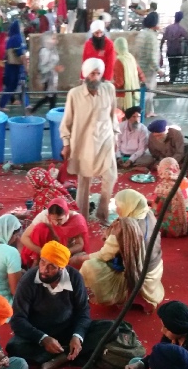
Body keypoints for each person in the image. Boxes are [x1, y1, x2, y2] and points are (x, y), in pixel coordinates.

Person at [6, 240, 92, 369]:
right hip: (38, 334)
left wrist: (77, 336)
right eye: (42, 262)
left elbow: (83, 311)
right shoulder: (28, 280)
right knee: (14, 346)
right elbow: (17, 319)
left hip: (67, 330)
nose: (44, 270)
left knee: (110, 329)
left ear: (62, 268)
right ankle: (70, 354)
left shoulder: (75, 278)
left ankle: (57, 359)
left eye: (52, 266)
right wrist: (43, 338)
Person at [79, 186, 163, 310]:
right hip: (155, 267)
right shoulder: (148, 214)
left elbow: (104, 255)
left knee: (89, 266)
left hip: (139, 275)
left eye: (119, 206)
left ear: (128, 206)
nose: (117, 210)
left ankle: (112, 296)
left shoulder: (125, 229)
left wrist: (82, 258)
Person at [59, 57, 117, 225]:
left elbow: (113, 116)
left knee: (110, 176)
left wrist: (116, 135)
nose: (96, 77)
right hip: (83, 143)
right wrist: (66, 144)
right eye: (92, 74)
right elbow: (67, 122)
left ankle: (102, 213)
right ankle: (81, 218)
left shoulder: (109, 90)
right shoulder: (75, 94)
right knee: (84, 181)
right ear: (85, 75)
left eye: (98, 73)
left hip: (106, 140)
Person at [18, 200, 89, 268]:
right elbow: (24, 238)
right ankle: (36, 261)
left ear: (66, 214)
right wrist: (43, 252)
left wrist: (62, 252)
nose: (56, 223)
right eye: (53, 220)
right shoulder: (44, 216)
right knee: (40, 228)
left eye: (59, 220)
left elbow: (80, 244)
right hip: (45, 248)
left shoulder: (76, 220)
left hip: (65, 249)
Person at [152, 156, 188, 237]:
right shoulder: (186, 181)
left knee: (148, 221)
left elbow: (156, 210)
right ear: (177, 167)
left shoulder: (163, 187)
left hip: (176, 229)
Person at [0, 17, 28, 110]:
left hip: (10, 65)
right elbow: (20, 54)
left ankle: (4, 104)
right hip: (14, 66)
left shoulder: (11, 38)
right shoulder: (17, 38)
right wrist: (26, 66)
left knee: (12, 86)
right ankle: (2, 104)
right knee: (13, 85)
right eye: (21, 26)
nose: (22, 27)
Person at [112, 35, 140, 113]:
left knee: (122, 117)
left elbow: (119, 82)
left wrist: (109, 87)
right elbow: (139, 73)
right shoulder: (130, 58)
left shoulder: (119, 61)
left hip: (123, 96)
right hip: (134, 92)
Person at [162, 12, 188, 84]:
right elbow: (187, 39)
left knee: (171, 65)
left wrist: (160, 48)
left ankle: (172, 79)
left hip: (170, 50)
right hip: (177, 51)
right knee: (176, 66)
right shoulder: (181, 29)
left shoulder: (168, 28)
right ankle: (173, 79)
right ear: (181, 18)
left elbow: (163, 39)